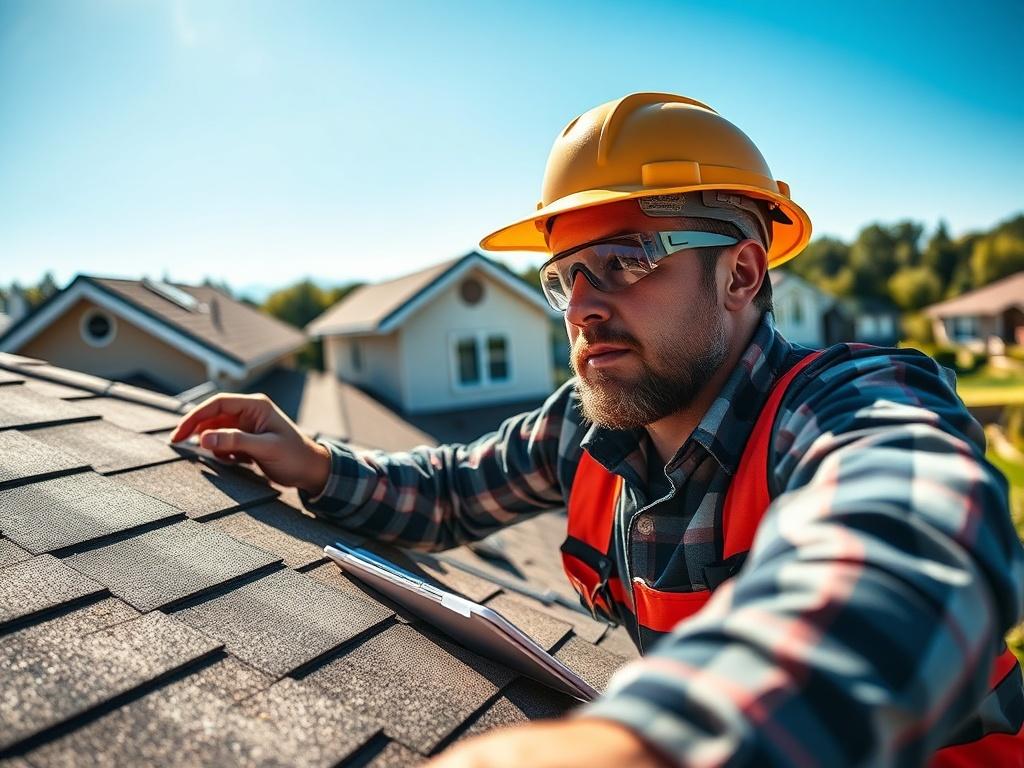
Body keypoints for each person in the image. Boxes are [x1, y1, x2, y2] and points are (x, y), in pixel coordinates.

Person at [171, 93, 1024, 767]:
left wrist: (654, 744)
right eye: (565, 276)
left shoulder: (847, 400)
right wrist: (315, 464)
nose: (582, 307)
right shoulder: (591, 431)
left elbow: (911, 543)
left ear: (740, 271)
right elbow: (448, 493)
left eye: (624, 261)